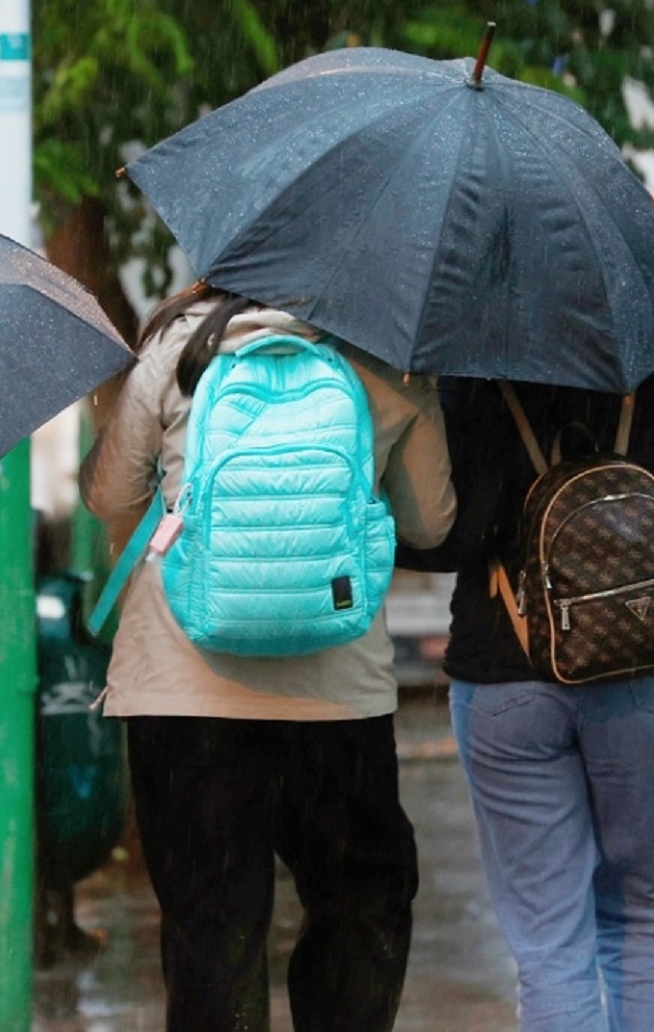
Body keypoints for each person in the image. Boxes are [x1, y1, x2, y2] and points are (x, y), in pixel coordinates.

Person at [77, 281, 456, 1032]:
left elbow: (108, 497)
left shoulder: (176, 347)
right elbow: (433, 518)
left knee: (211, 930)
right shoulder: (382, 355)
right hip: (336, 694)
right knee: (358, 906)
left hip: (183, 695)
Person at [399, 356, 654, 1030]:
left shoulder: (474, 369)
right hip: (643, 662)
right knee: (643, 913)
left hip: (507, 671)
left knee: (550, 944)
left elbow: (448, 531)